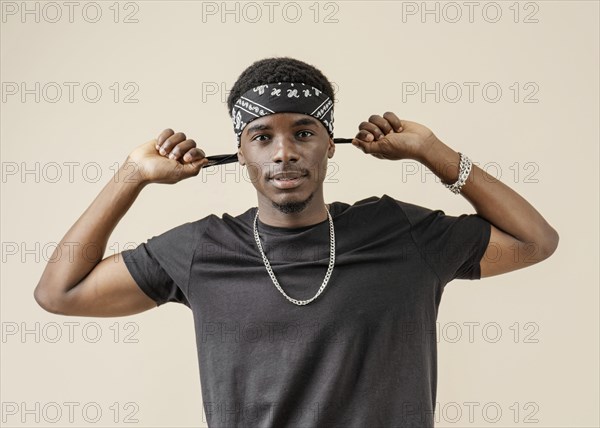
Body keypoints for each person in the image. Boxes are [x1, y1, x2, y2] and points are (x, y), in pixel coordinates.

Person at [34, 57, 559, 427]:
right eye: (262, 136)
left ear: (331, 144)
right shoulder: (202, 249)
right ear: (240, 151)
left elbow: (535, 240)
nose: (284, 152)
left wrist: (432, 151)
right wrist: (131, 176)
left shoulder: (400, 233)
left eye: (304, 132)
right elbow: (59, 292)